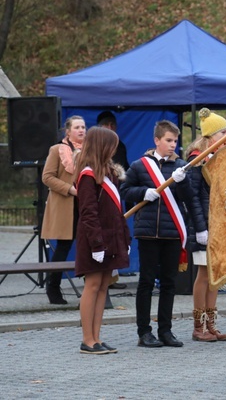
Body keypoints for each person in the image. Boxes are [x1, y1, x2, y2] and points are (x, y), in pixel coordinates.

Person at [120, 120, 204, 348]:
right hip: (148, 232)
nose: (173, 145)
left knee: (169, 283)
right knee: (146, 282)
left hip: (173, 232)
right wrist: (143, 192)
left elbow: (189, 197)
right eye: (168, 140)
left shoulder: (181, 167)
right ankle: (144, 332)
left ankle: (165, 330)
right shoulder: (140, 166)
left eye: (175, 141)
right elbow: (125, 192)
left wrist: (183, 180)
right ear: (156, 140)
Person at [74, 127, 131, 354]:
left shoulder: (110, 173)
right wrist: (97, 243)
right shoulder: (88, 175)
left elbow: (116, 210)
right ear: (102, 146)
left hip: (111, 235)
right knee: (93, 285)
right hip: (94, 238)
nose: (114, 150)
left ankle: (97, 337)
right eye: (112, 146)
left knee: (103, 287)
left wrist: (124, 236)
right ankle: (87, 339)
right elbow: (88, 212)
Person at [185, 108, 226, 342]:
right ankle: (198, 326)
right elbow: (193, 197)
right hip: (204, 225)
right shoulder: (197, 160)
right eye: (223, 132)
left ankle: (211, 324)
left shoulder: (217, 158)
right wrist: (201, 228)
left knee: (215, 276)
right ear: (211, 136)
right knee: (204, 275)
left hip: (218, 224)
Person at [41, 115, 86, 305]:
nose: (82, 130)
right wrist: (70, 189)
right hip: (65, 205)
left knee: (90, 246)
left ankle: (96, 289)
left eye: (83, 127)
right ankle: (53, 288)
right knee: (63, 247)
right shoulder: (57, 150)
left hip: (85, 206)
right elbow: (47, 177)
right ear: (68, 131)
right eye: (77, 127)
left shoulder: (89, 151)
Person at [97, 110, 129, 291]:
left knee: (114, 234)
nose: (110, 129)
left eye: (112, 126)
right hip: (99, 199)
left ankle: (111, 277)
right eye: (106, 126)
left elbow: (124, 170)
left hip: (114, 195)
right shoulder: (92, 149)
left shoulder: (120, 146)